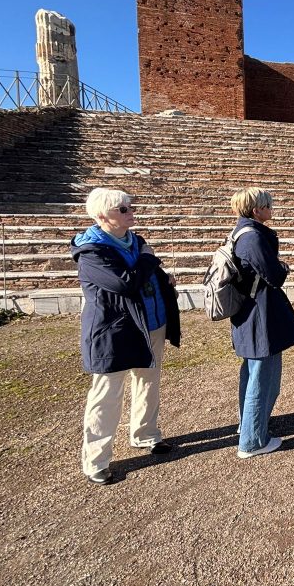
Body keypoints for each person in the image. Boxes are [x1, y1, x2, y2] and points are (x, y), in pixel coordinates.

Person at [73, 188, 181, 485]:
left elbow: (148, 274)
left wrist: (162, 278)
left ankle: (145, 434)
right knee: (107, 394)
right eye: (122, 209)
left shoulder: (136, 241)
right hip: (114, 331)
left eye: (130, 206)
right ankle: (96, 460)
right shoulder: (92, 252)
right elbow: (125, 284)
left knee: (148, 381)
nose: (130, 212)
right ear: (101, 215)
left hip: (151, 324)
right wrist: (148, 260)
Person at [229, 187, 294, 457]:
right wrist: (282, 267)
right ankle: (252, 442)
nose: (271, 209)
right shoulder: (252, 237)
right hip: (259, 314)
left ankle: (249, 427)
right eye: (268, 205)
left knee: (253, 374)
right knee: (263, 379)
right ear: (256, 210)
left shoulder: (243, 232)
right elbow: (274, 275)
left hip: (251, 312)